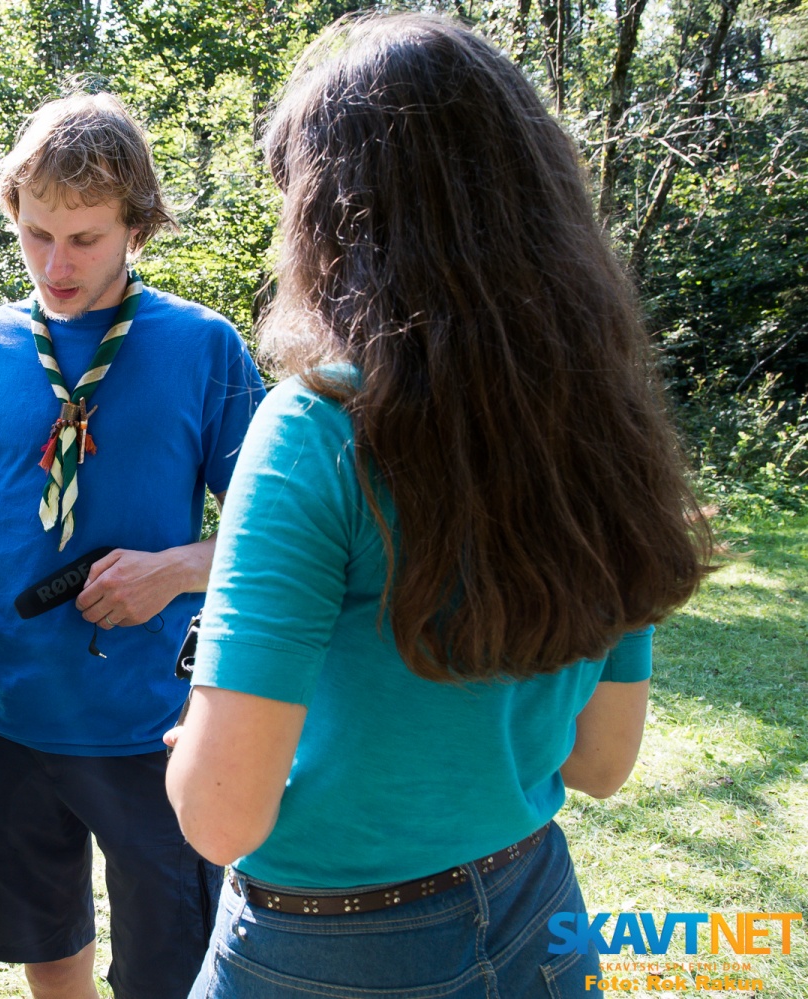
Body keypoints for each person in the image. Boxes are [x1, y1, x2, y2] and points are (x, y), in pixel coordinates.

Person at [165, 14, 714, 999]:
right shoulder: (602, 417)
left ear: (333, 218)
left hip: (326, 953)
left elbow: (219, 817)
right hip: (537, 913)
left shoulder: (317, 429)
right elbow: (602, 761)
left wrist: (204, 738)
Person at [0, 93, 265, 999]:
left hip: (152, 718)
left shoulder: (202, 346)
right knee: (45, 932)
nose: (55, 263)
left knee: (171, 956)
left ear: (138, 226)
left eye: (84, 238)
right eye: (36, 233)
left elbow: (269, 536)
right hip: (11, 704)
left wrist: (174, 571)